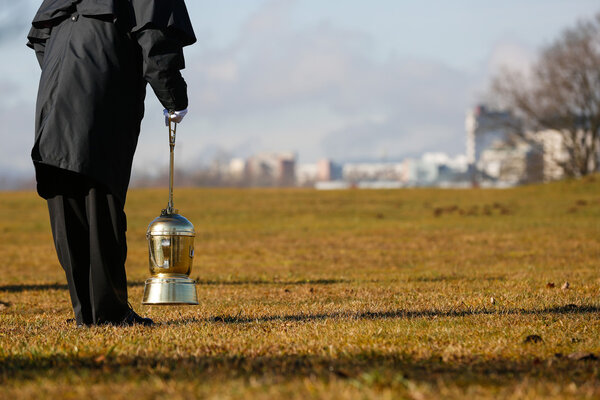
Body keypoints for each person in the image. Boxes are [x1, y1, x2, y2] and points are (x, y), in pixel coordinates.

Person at [27, 0, 196, 327]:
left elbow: (41, 39)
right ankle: (109, 314)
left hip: (54, 91)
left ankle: (87, 313)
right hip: (101, 84)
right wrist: (174, 98)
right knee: (100, 201)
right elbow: (156, 41)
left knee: (67, 199)